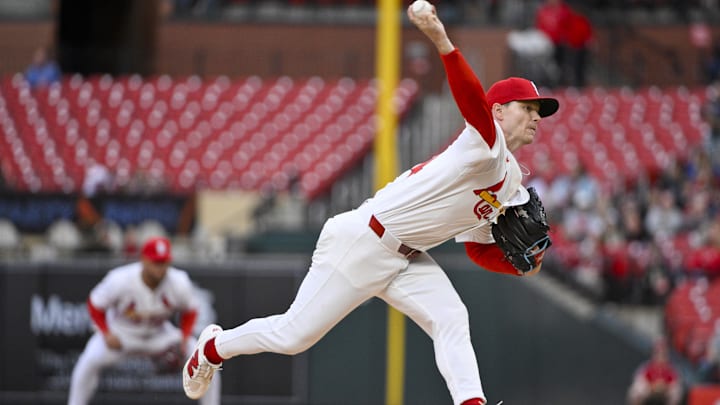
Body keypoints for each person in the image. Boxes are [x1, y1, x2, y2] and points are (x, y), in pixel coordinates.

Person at [182, 3, 558, 405]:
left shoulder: (512, 180)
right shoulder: (484, 143)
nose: (537, 117)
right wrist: (440, 39)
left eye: (539, 111)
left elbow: (476, 245)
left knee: (452, 317)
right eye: (528, 108)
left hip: (409, 258)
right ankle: (212, 348)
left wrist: (518, 265)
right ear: (499, 111)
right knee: (293, 336)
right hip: (363, 240)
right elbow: (470, 100)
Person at [68, 237, 220, 405]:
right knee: (88, 362)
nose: (161, 268)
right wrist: (106, 333)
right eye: (156, 262)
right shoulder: (120, 279)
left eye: (164, 262)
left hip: (159, 334)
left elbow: (191, 310)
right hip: (122, 333)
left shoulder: (179, 281)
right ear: (144, 260)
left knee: (205, 358)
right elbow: (95, 304)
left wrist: (184, 337)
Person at [626, 338, 683, 405]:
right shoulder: (647, 367)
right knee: (636, 390)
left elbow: (676, 384)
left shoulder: (671, 369)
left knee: (676, 392)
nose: (660, 356)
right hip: (649, 391)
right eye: (658, 353)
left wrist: (664, 387)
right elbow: (638, 380)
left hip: (665, 393)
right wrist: (651, 387)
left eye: (663, 354)